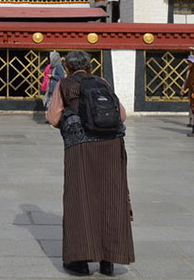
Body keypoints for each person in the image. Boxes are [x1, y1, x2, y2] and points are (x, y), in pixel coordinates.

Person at [45, 50, 134, 277]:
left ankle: (80, 262)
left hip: (80, 147)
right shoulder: (102, 82)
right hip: (112, 145)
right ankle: (109, 260)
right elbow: (121, 115)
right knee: (112, 197)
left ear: (67, 67)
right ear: (90, 66)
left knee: (81, 199)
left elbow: (54, 117)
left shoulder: (65, 85)